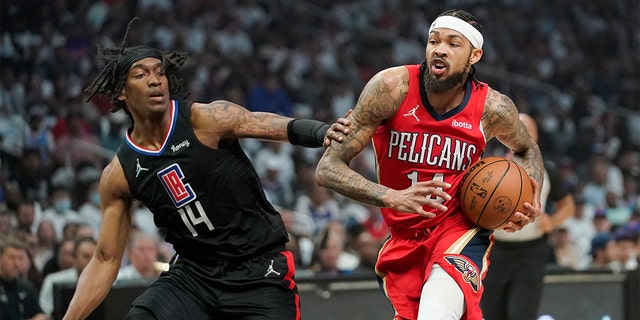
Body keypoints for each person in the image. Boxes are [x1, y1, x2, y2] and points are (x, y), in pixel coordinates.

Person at [62, 18, 349, 320]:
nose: (155, 80)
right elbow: (106, 260)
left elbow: (267, 123)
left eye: (159, 72)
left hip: (258, 270)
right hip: (194, 276)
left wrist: (322, 132)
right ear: (122, 91)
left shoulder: (204, 120)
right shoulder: (118, 174)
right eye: (141, 74)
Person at [316, 9, 544, 320]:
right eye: (434, 41)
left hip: (459, 228)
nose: (440, 49)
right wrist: (390, 196)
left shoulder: (493, 107)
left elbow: (527, 149)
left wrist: (529, 197)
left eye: (453, 44)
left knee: (435, 313)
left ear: (474, 55)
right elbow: (328, 169)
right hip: (403, 235)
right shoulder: (391, 87)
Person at [481, 113, 575, 320]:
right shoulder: (491, 166)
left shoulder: (547, 169)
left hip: (531, 252)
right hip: (493, 250)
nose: (520, 135)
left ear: (536, 136)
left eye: (526, 130)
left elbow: (568, 205)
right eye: (515, 129)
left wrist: (553, 220)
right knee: (491, 314)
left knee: (521, 313)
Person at [39, 237, 96, 316]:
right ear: (75, 257)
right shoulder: (53, 280)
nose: (91, 261)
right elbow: (46, 312)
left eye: (94, 258)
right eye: (86, 256)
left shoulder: (108, 282)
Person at [0, 237, 48, 320]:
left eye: (20, 258)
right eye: (11, 257)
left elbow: (42, 316)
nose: (17, 263)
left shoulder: (27, 287)